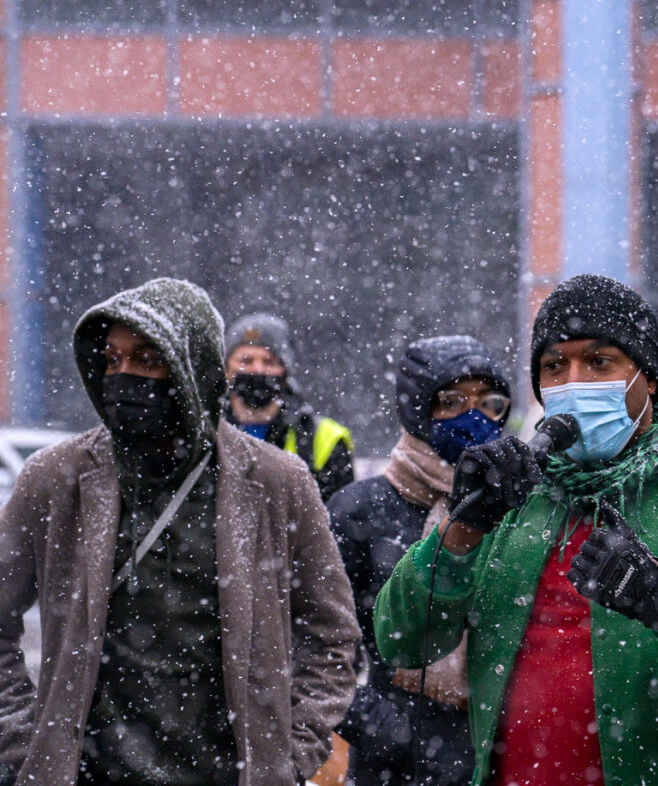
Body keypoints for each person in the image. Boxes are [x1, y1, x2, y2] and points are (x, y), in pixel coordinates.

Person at [374, 274, 658, 786]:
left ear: (648, 378)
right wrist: (462, 527)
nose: (575, 382)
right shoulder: (512, 501)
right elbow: (402, 643)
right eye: (555, 366)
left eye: (600, 362)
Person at [0, 278, 360, 786]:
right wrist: (28, 742)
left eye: (147, 359)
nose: (123, 376)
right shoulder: (55, 478)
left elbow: (332, 637)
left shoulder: (279, 482)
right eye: (111, 359)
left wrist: (288, 753)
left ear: (195, 370)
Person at [329, 335, 514, 785]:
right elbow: (309, 644)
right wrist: (382, 729)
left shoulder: (518, 505)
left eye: (489, 401)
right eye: (451, 401)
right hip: (395, 769)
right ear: (417, 409)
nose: (474, 416)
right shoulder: (360, 510)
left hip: (498, 760)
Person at [225, 313, 354, 500]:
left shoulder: (325, 439)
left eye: (269, 361)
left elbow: (338, 520)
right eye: (246, 361)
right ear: (227, 369)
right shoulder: (205, 432)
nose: (258, 370)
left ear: (286, 371)